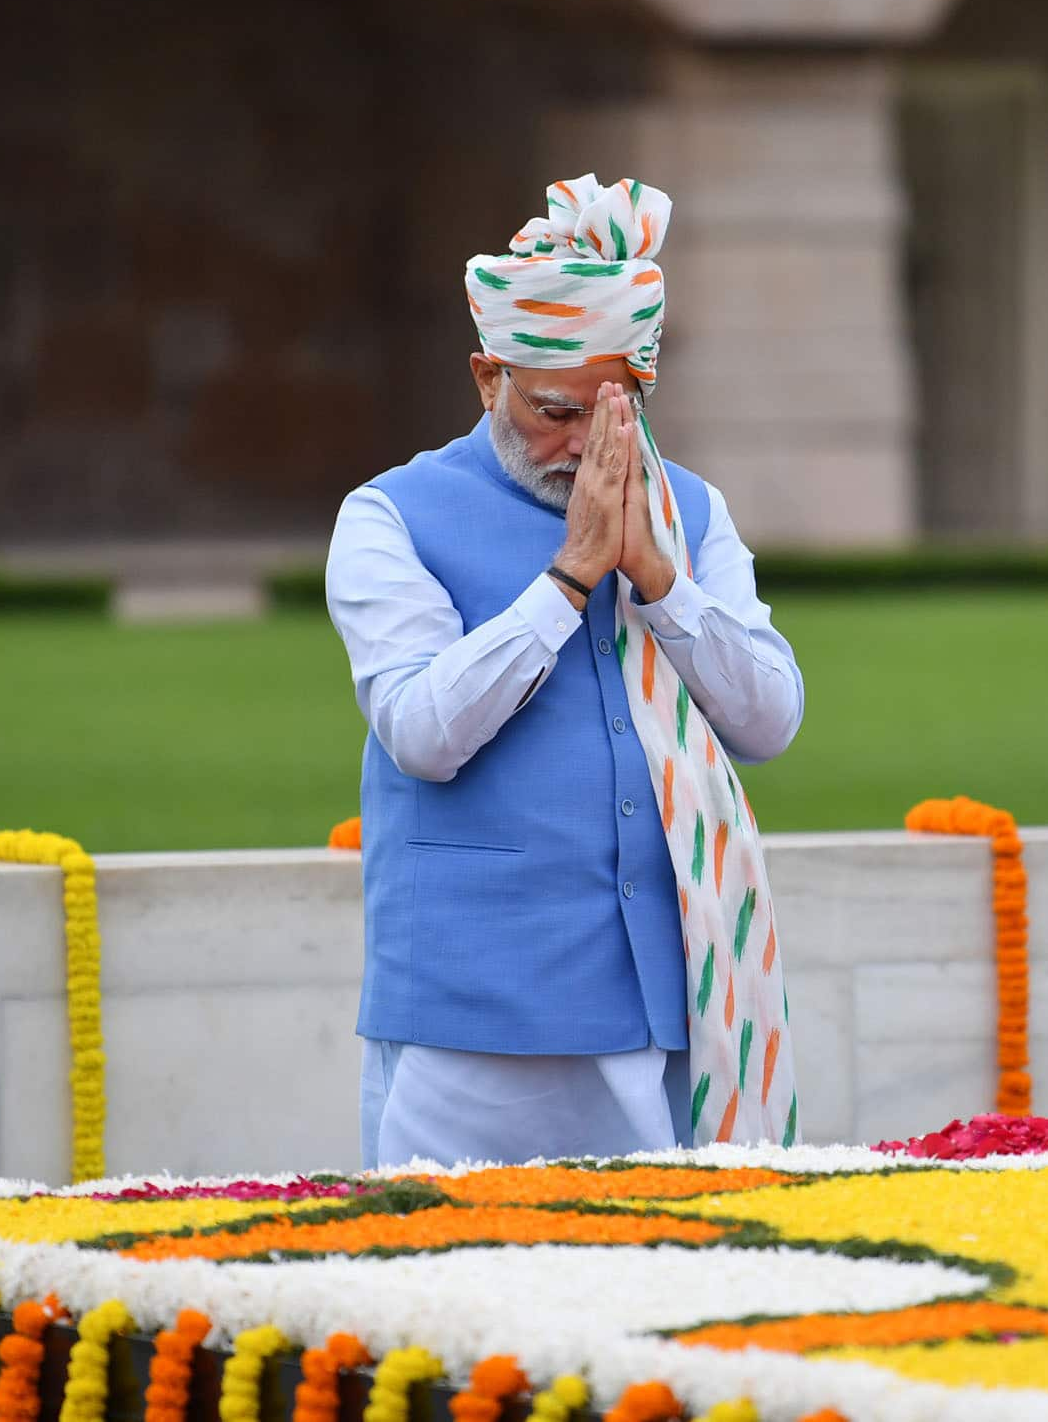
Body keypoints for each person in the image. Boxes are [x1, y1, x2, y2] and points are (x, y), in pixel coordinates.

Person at [325, 175, 804, 1168]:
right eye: (553, 409)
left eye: (611, 408)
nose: (582, 442)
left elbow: (770, 720)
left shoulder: (689, 514)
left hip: (670, 1008)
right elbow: (419, 731)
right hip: (472, 1019)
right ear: (484, 376)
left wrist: (661, 583)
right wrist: (570, 577)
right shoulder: (389, 514)